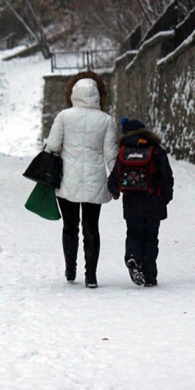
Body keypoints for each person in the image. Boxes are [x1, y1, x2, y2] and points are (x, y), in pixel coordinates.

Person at [44, 72, 117, 288]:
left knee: (70, 226)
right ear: (96, 95)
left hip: (68, 178)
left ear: (74, 93)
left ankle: (70, 270)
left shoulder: (63, 117)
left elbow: (54, 146)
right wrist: (115, 182)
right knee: (91, 227)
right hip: (95, 179)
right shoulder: (106, 120)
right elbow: (111, 154)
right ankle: (91, 276)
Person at [107, 117, 174, 287]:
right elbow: (167, 176)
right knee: (151, 238)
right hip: (154, 201)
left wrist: (115, 191)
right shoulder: (156, 150)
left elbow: (114, 177)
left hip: (131, 202)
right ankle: (150, 275)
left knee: (134, 234)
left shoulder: (123, 152)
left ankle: (132, 257)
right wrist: (166, 197)